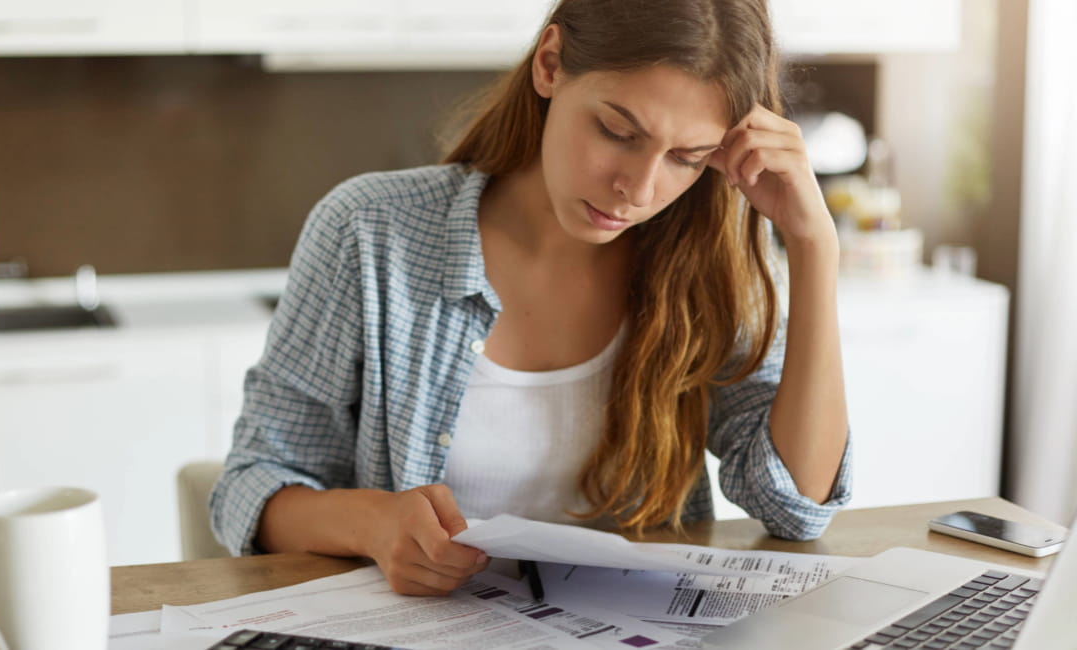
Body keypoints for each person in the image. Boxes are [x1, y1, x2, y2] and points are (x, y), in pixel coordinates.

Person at [210, 0, 852, 597]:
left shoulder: (707, 266)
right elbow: (250, 485)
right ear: (550, 64)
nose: (638, 187)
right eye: (616, 131)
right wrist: (373, 523)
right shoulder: (370, 232)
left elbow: (794, 506)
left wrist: (813, 246)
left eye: (687, 157)